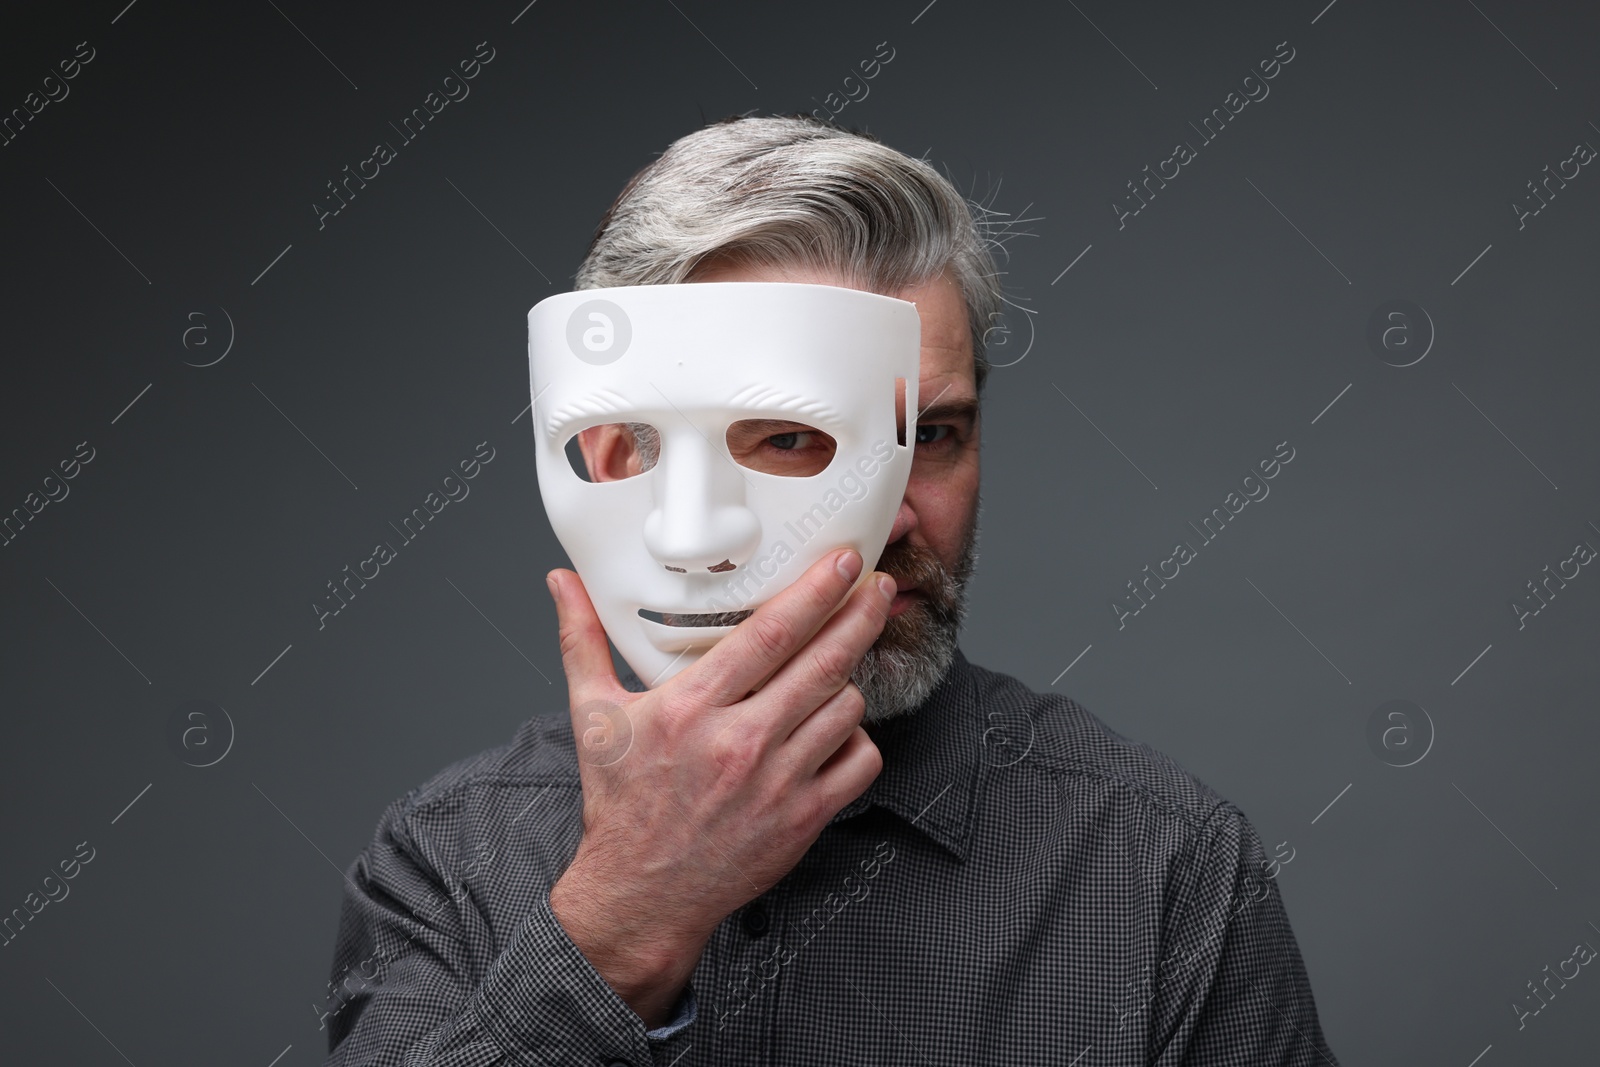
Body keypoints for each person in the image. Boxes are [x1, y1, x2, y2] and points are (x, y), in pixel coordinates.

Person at [322, 113, 1339, 1065]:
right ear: (614, 460)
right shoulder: (452, 858)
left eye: (931, 435)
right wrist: (623, 922)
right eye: (797, 441)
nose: (893, 515)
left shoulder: (1162, 868)